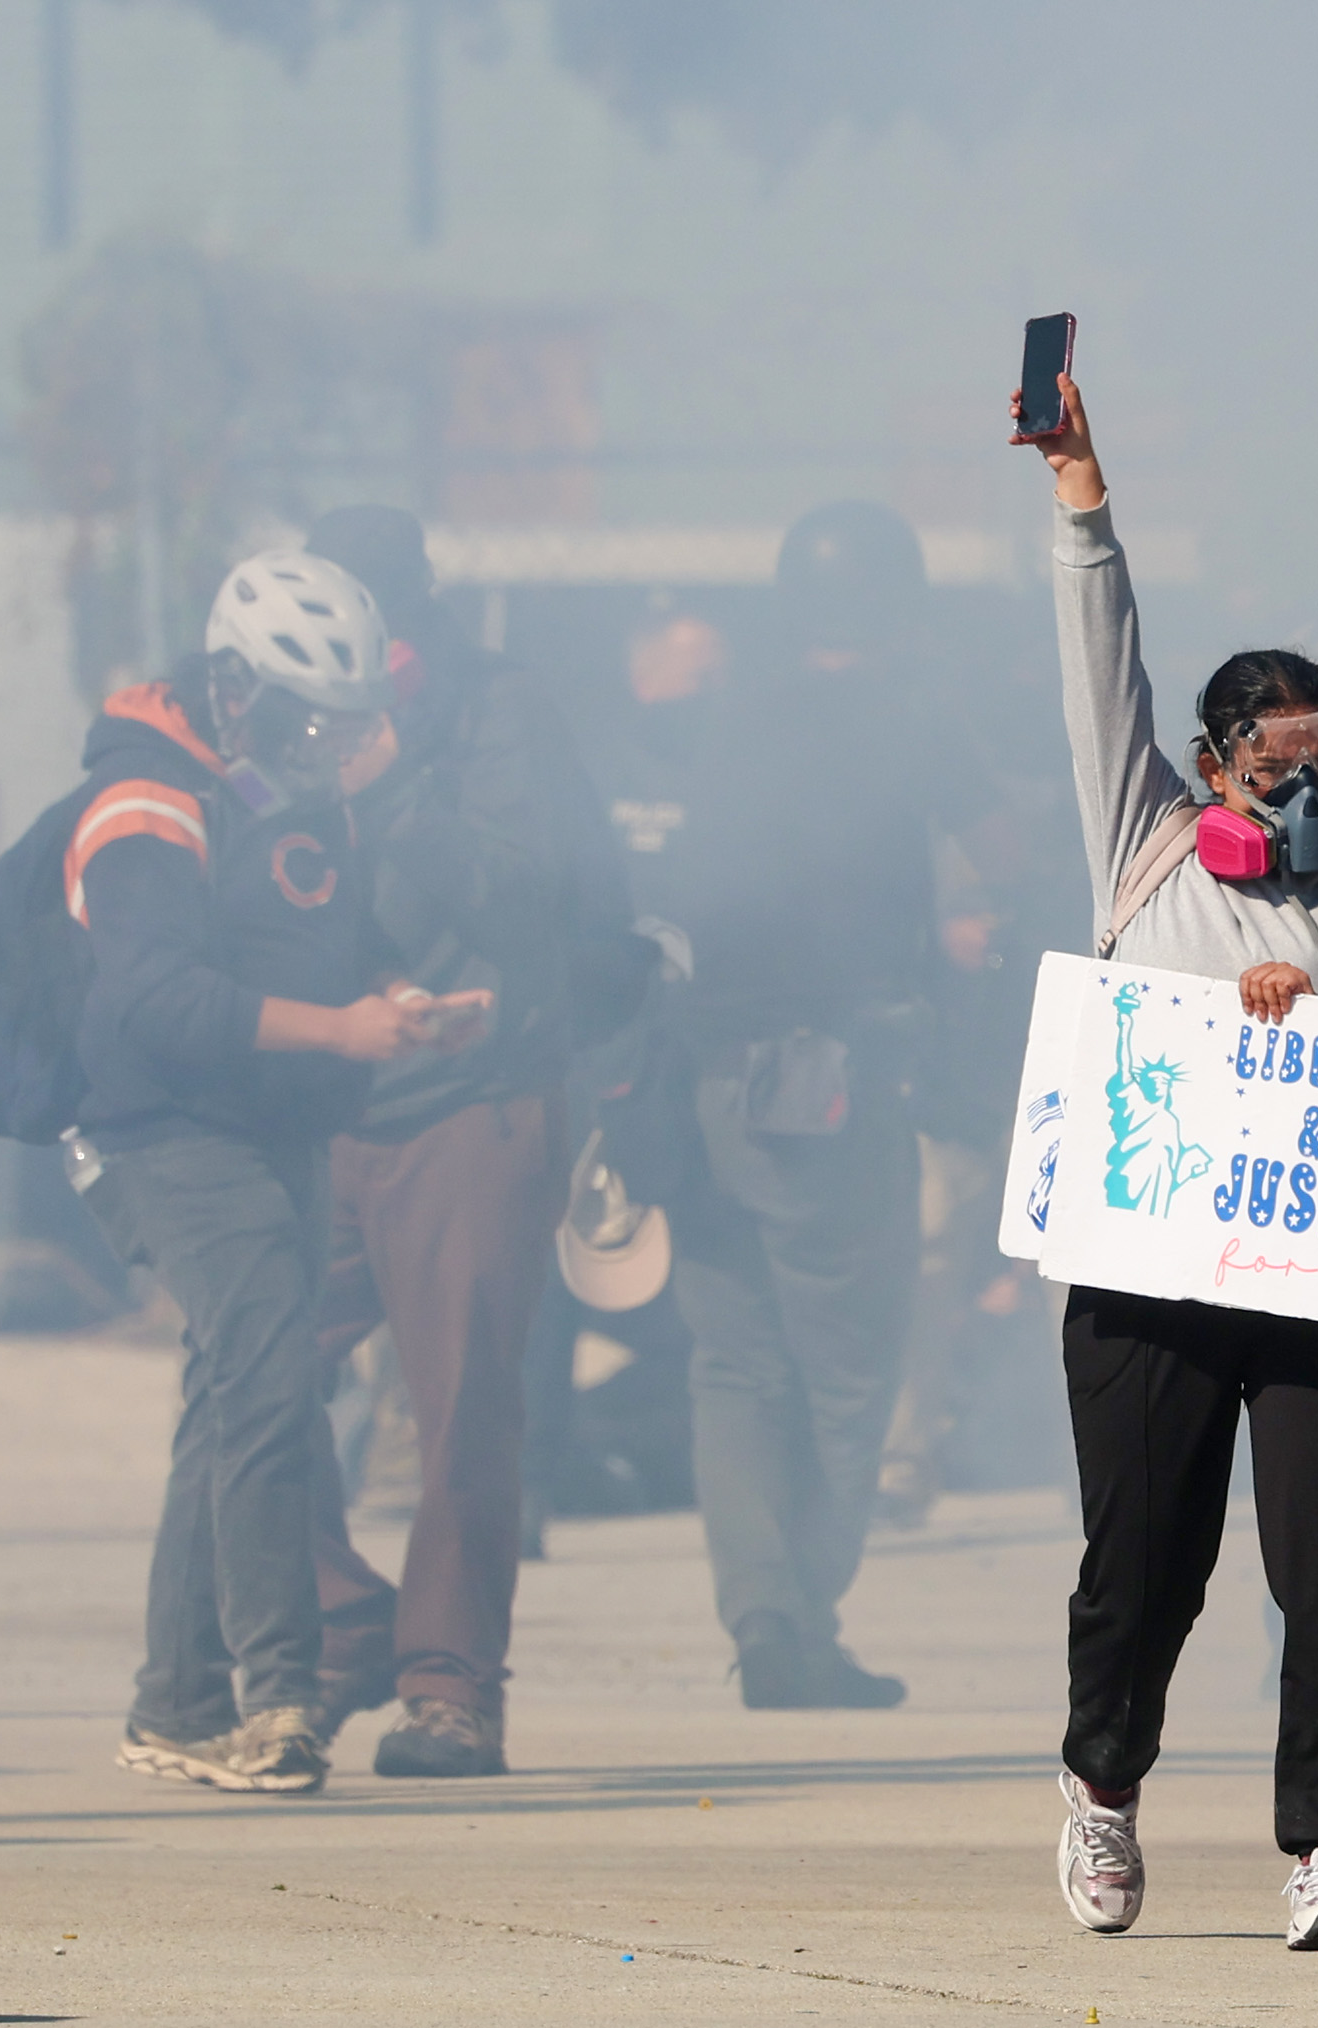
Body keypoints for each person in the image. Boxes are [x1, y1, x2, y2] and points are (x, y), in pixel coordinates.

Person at [1013, 370, 1318, 1952]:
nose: (1305, 787)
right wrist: (1083, 488)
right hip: (1154, 1264)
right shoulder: (1140, 835)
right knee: (1149, 1560)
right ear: (1215, 764)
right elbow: (1100, 658)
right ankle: (1103, 1780)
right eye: (1277, 760)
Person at [69, 551, 490, 1793]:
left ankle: (178, 1702)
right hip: (169, 1136)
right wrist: (338, 1033)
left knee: (232, 1405)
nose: (325, 741)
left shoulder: (273, 796)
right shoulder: (142, 803)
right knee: (263, 1396)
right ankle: (271, 1697)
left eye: (342, 721)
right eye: (305, 715)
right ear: (234, 686)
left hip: (271, 1131)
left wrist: (398, 1003)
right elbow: (157, 999)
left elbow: (335, 948)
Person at [622, 502, 1017, 1709]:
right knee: (849, 1365)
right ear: (897, 607)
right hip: (834, 1077)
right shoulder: (911, 715)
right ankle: (801, 1616)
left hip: (704, 1076)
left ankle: (762, 1621)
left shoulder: (728, 714)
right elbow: (1007, 848)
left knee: (735, 1359)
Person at [293, 505, 647, 1779]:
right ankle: (341, 1625)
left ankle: (447, 1687)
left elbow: (532, 892)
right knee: (245, 1390)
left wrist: (391, 788)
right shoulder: (280, 718)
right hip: (317, 1097)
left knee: (461, 1415)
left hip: (469, 1097)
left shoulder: (493, 714)